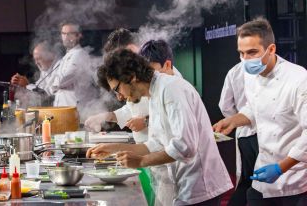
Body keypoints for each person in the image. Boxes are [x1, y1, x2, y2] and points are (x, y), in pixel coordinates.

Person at [87, 49, 233, 205]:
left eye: (117, 89)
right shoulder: (154, 92)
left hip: (201, 188)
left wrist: (141, 161)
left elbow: (186, 146)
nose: (119, 97)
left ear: (131, 77)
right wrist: (113, 148)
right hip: (185, 186)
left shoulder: (171, 88)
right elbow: (155, 144)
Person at [213, 17, 307, 205]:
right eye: (241, 53)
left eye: (252, 52)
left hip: (293, 178)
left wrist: (281, 167)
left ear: (271, 49)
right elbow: (254, 108)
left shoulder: (298, 79)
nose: (245, 60)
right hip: (262, 171)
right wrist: (233, 121)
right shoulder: (251, 75)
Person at [218, 62, 258, 206]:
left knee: (247, 181)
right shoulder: (268, 68)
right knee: (259, 183)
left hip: (244, 135)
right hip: (258, 134)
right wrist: (238, 120)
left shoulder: (234, 71)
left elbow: (225, 106)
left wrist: (236, 119)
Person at [51, 21, 98, 118]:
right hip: (62, 110)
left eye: (69, 34)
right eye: (63, 33)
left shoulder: (79, 54)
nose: (66, 37)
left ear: (78, 35)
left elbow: (62, 80)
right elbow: (51, 85)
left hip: (74, 109)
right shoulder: (65, 57)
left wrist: (55, 84)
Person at [10, 40, 62, 107]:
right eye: (35, 60)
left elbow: (48, 97)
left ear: (50, 55)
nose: (36, 63)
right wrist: (19, 84)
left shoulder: (61, 68)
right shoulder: (45, 70)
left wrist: (27, 85)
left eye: (39, 59)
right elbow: (38, 90)